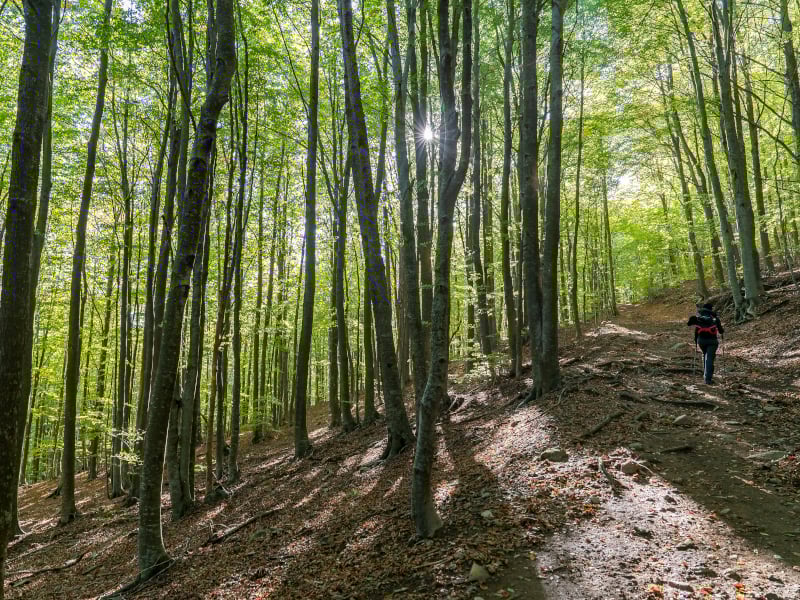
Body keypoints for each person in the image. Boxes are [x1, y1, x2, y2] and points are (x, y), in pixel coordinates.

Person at [687, 302, 724, 385]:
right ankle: (708, 379)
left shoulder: (698, 318)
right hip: (712, 341)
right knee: (710, 358)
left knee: (705, 355)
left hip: (701, 341)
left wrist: (696, 342)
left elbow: (696, 332)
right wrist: (721, 331)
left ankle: (706, 376)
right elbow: (721, 331)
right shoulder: (715, 319)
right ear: (711, 310)